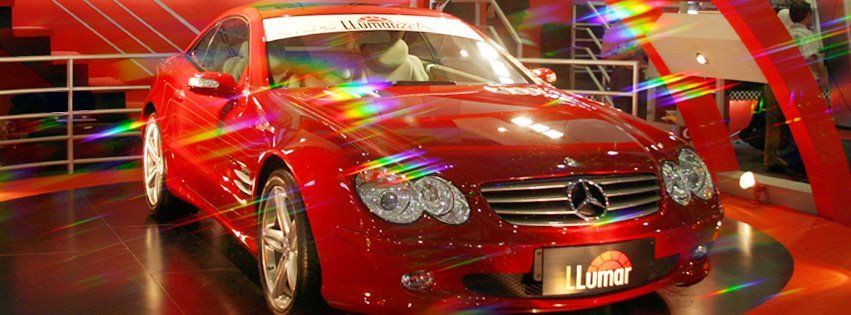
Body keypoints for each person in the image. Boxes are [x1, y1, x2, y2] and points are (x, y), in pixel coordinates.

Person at [601, 21, 647, 115]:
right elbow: (606, 57)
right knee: (623, 110)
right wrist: (629, 53)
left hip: (644, 74)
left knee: (643, 112)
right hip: (624, 75)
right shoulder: (616, 29)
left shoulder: (645, 26)